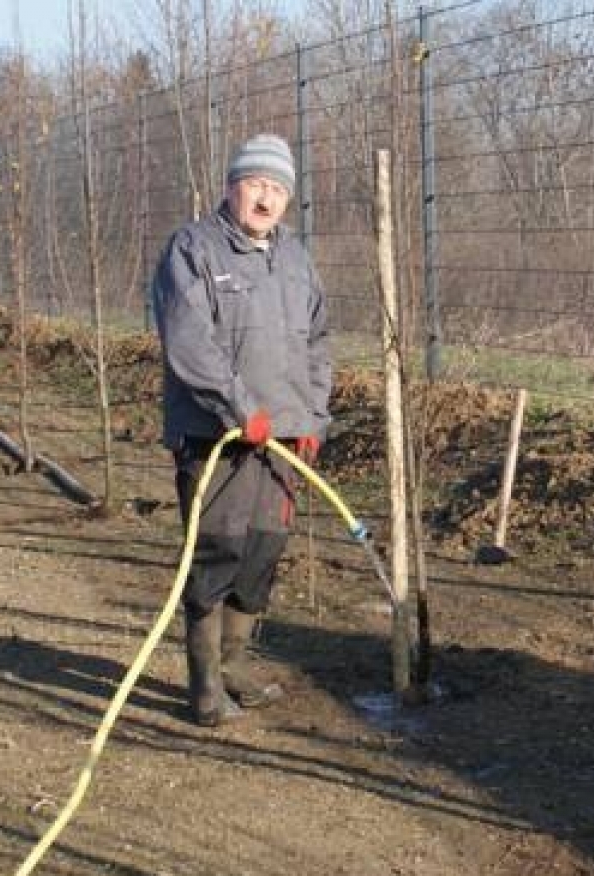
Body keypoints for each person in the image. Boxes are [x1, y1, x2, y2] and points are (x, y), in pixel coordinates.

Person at [150, 133, 331, 727]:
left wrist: (312, 417)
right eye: (257, 184)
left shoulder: (296, 259)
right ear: (231, 187)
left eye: (278, 189)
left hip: (283, 437)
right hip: (217, 437)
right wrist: (238, 407)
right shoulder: (193, 249)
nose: (267, 198)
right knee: (216, 549)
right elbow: (188, 341)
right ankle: (203, 687)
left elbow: (317, 344)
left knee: (262, 551)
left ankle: (235, 666)